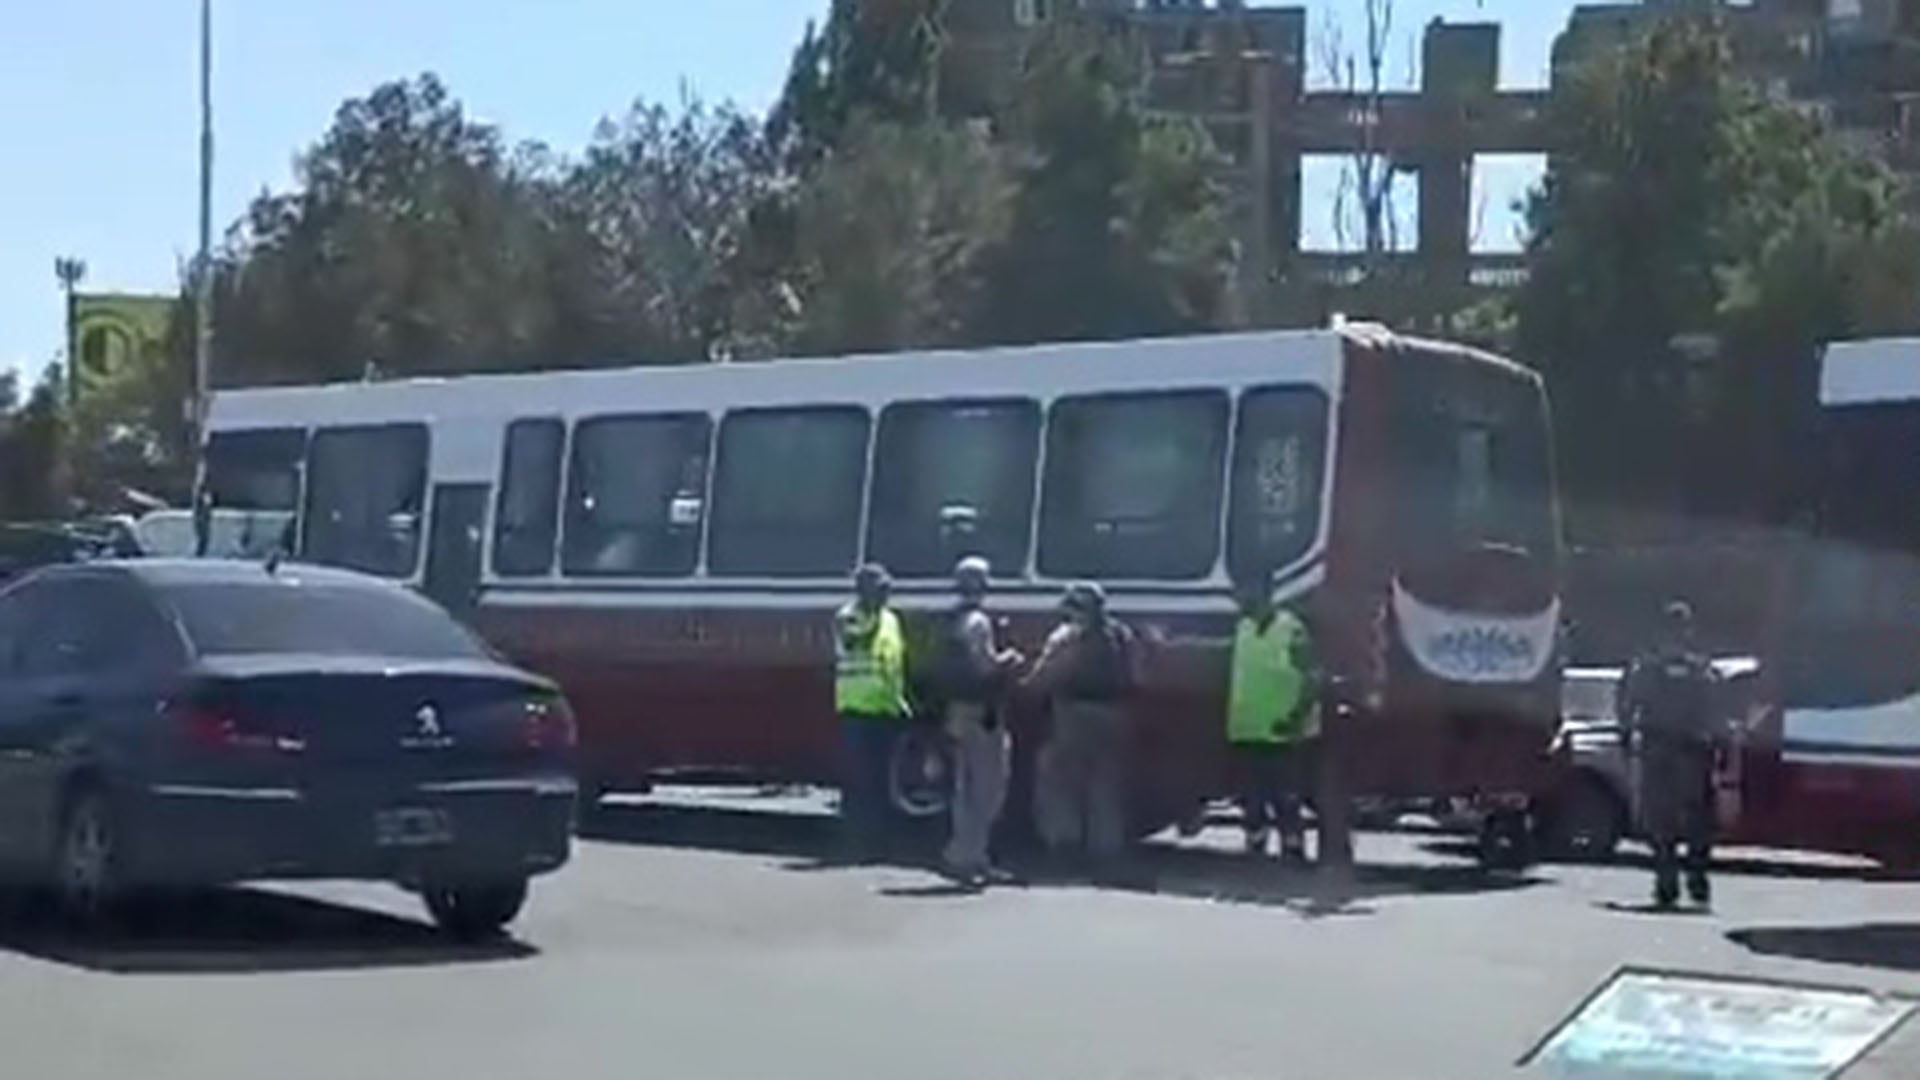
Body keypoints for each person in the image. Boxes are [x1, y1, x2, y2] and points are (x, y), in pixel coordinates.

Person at [1025, 582, 1140, 883]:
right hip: (1115, 715)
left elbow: (1048, 673)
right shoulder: (1121, 634)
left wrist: (1026, 686)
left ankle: (1065, 845)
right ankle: (1105, 852)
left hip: (1074, 714)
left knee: (1060, 780)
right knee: (1105, 786)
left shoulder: (1069, 637)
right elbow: (1135, 673)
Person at [1617, 600, 1724, 910]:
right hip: (1693, 750)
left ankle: (1667, 881)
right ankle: (1697, 878)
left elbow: (1627, 706)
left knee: (1660, 819)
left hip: (1659, 749)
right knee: (1697, 819)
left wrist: (1626, 737)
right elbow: (1717, 711)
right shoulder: (1701, 669)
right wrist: (1719, 746)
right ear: (1688, 631)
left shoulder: (1646, 668)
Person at [935, 556, 1025, 888]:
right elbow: (986, 666)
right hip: (981, 713)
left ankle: (973, 856)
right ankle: (964, 855)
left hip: (957, 710)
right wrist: (1011, 659)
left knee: (965, 784)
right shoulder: (978, 623)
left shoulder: (950, 619)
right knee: (987, 786)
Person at [1226, 573, 1320, 863]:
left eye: (1245, 591)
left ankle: (1293, 850)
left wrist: (1298, 716)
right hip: (1248, 730)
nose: (1239, 598)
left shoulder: (1291, 629)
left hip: (1283, 731)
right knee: (1251, 798)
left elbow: (1312, 678)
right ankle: (1256, 848)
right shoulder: (1242, 627)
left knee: (1286, 797)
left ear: (1265, 592)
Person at [834, 563, 911, 861]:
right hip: (856, 708)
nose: (885, 594)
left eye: (886, 588)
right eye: (879, 589)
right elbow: (856, 640)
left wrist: (901, 700)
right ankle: (855, 841)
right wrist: (873, 612)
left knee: (881, 781)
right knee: (859, 780)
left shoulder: (891, 619)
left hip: (885, 708)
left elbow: (893, 663)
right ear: (861, 590)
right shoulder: (849, 616)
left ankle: (878, 840)